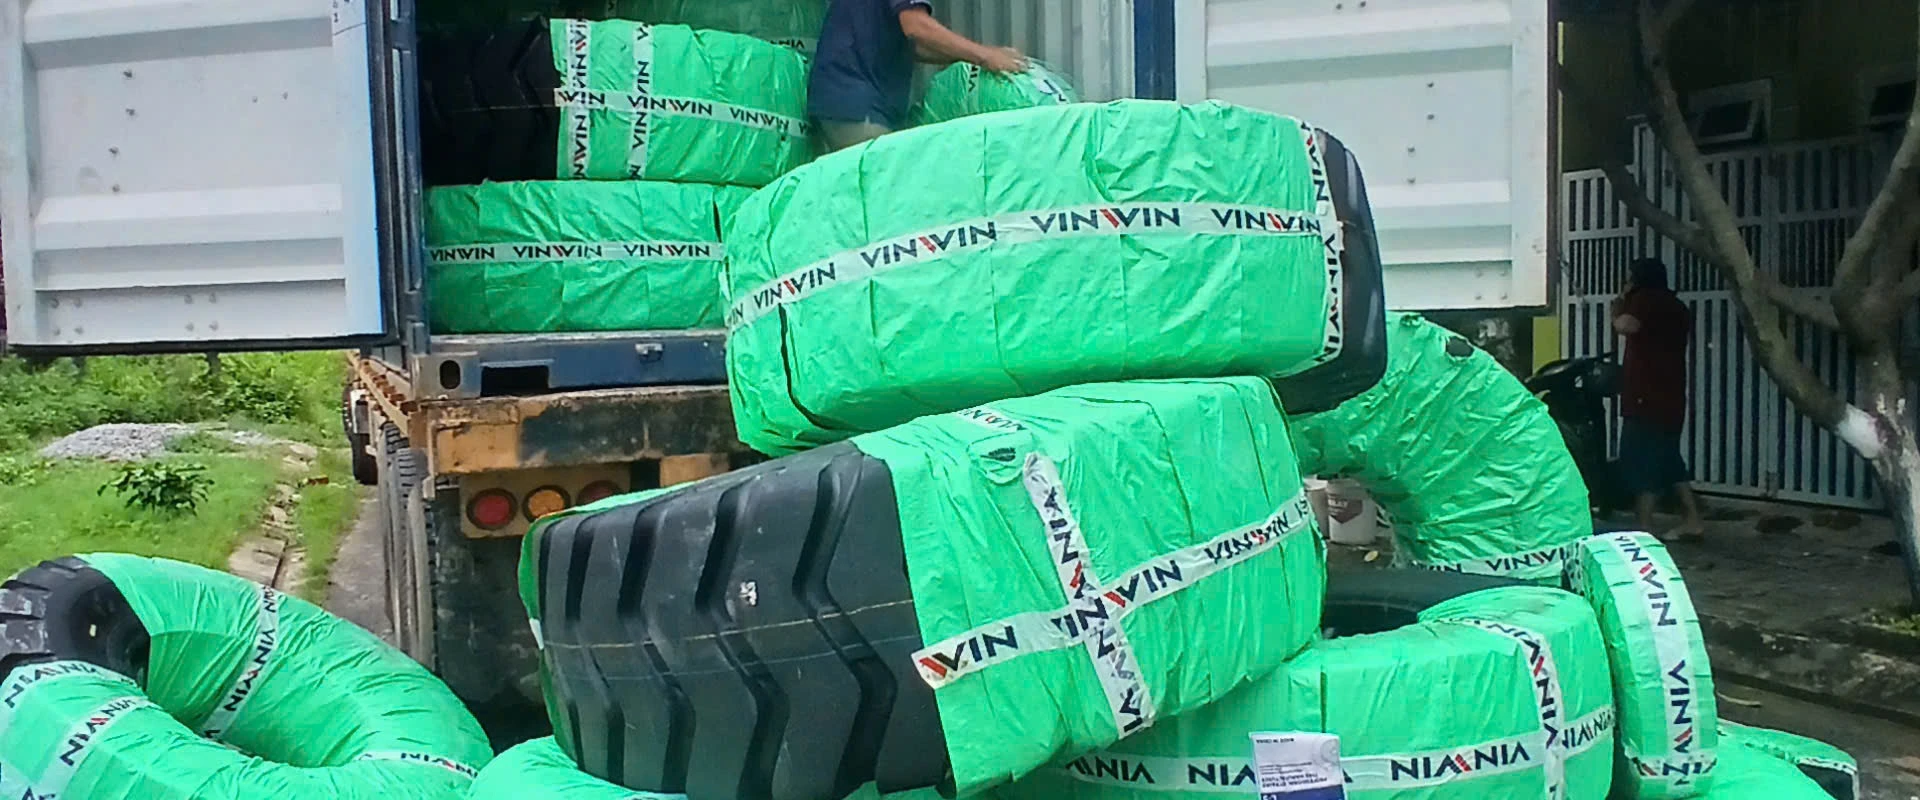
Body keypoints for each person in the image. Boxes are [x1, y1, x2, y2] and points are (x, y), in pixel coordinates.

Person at [808, 0, 1028, 152]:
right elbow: (916, 27)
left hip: (844, 99)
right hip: (857, 104)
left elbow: (916, 47)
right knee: (888, 190)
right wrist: (985, 55)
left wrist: (972, 57)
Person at [1613, 257, 1704, 540]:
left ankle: (1644, 527)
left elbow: (1625, 326)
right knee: (1668, 459)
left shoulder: (1645, 301)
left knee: (1643, 460)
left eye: (1629, 277)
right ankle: (1692, 519)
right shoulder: (1676, 306)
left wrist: (1619, 305)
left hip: (1646, 397)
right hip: (1670, 395)